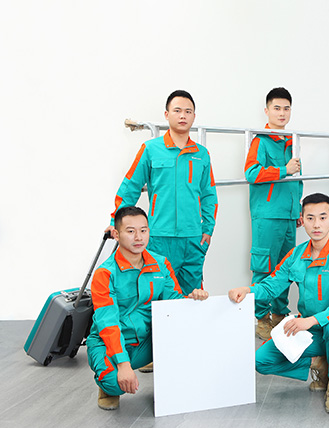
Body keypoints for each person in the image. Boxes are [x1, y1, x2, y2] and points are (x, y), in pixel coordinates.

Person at [228, 193, 329, 414]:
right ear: (302, 219)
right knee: (261, 360)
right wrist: (248, 290)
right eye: (310, 218)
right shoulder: (296, 255)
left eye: (322, 217)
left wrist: (312, 320)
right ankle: (319, 363)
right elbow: (272, 286)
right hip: (310, 331)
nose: (316, 224)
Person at [89, 206, 209, 410]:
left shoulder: (161, 264)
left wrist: (192, 298)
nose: (138, 237)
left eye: (143, 230)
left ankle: (162, 373)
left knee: (189, 338)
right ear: (116, 234)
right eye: (130, 231)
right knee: (114, 383)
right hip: (110, 342)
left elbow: (174, 304)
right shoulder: (105, 274)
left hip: (147, 340)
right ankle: (107, 387)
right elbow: (108, 324)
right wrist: (123, 364)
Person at [106, 90, 218, 295]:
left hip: (193, 238)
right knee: (158, 293)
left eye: (188, 111)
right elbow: (130, 187)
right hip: (159, 237)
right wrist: (116, 221)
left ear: (194, 116)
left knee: (193, 296)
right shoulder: (150, 149)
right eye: (177, 110)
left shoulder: (202, 154)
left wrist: (207, 228)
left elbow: (209, 195)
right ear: (167, 114)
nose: (183, 116)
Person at [244, 87, 303, 341]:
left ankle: (279, 314)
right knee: (264, 267)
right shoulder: (261, 141)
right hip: (267, 216)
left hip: (289, 217)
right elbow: (251, 173)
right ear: (266, 111)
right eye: (277, 108)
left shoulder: (292, 141)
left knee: (286, 268)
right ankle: (261, 318)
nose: (282, 113)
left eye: (286, 108)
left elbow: (298, 179)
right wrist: (283, 169)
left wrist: (297, 209)